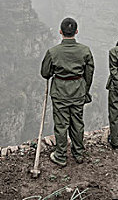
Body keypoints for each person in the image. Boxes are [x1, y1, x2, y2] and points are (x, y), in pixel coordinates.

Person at [40, 17, 94, 166]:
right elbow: (89, 73)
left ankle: (61, 156)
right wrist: (85, 89)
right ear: (76, 31)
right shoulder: (85, 51)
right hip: (78, 91)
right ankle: (78, 153)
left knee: (61, 124)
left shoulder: (53, 52)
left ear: (60, 32)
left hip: (60, 93)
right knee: (77, 123)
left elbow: (45, 73)